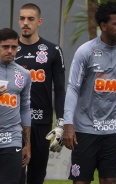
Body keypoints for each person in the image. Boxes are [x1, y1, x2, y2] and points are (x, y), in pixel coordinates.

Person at [63, 1, 116, 184]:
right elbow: (73, 87)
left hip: (115, 129)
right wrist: (68, 124)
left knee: (109, 181)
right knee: (80, 181)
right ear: (103, 26)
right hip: (85, 128)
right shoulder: (85, 52)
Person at [15, 3, 66, 184]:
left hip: (42, 123)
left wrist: (61, 123)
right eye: (22, 18)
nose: (25, 23)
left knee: (36, 177)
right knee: (15, 177)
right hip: (14, 124)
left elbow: (60, 90)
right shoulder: (9, 50)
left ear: (40, 22)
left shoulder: (53, 51)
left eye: (30, 19)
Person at [0, 28, 32, 183]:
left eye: (14, 47)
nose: (10, 51)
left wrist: (27, 144)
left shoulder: (24, 74)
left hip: (12, 139)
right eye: (5, 47)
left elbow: (25, 108)